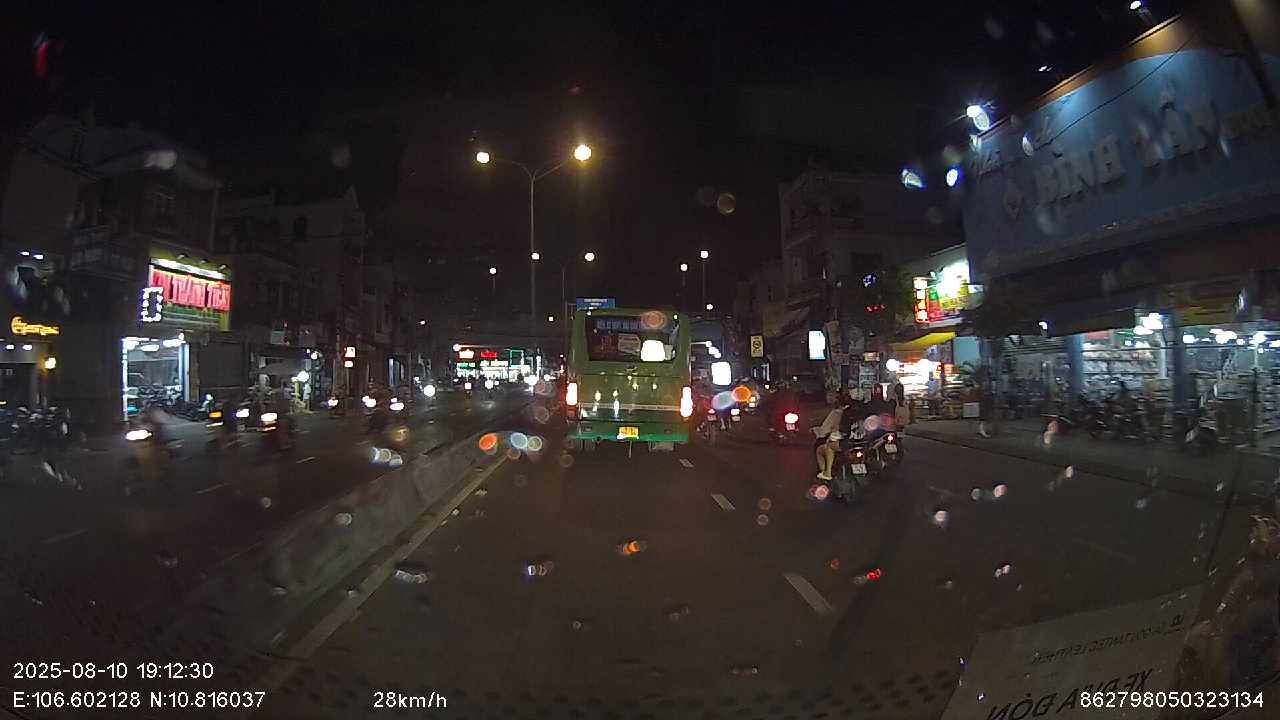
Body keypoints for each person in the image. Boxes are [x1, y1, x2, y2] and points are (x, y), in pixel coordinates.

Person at [813, 394, 850, 481]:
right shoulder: (858, 414)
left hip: (844, 443)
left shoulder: (836, 413)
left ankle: (825, 473)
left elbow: (824, 431)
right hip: (858, 443)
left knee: (819, 449)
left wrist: (815, 430)